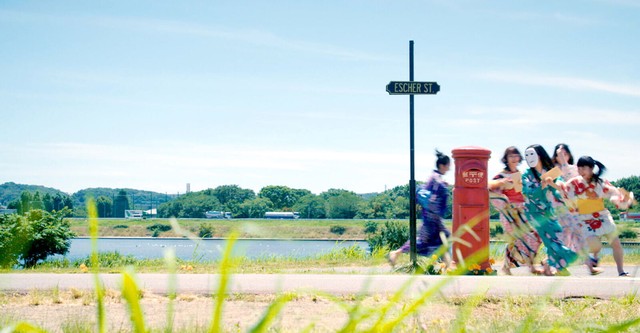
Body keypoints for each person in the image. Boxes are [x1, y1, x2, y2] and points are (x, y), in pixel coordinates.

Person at [561, 156, 635, 277]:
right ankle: (591, 261)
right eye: (580, 168)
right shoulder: (573, 183)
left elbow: (613, 194)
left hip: (602, 216)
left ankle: (621, 271)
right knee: (595, 246)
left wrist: (622, 201)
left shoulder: (600, 182)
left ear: (591, 169)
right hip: (584, 219)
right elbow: (565, 195)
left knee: (615, 243)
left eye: (585, 168)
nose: (581, 171)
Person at [388, 150, 452, 267]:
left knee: (443, 238)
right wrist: (443, 187)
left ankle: (446, 265)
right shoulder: (437, 179)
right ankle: (396, 253)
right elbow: (435, 196)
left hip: (431, 218)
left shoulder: (434, 177)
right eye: (448, 165)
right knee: (423, 242)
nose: (449, 168)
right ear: (442, 165)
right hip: (432, 218)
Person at [521, 144, 578, 275]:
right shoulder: (526, 175)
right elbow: (528, 192)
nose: (529, 158)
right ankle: (565, 262)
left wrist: (551, 183)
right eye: (527, 155)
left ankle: (557, 267)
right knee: (549, 239)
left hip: (548, 210)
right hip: (534, 213)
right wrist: (542, 186)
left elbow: (556, 190)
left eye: (532, 154)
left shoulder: (550, 172)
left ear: (540, 156)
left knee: (556, 236)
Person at [488, 146, 543, 275]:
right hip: (509, 212)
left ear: (519, 158)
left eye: (516, 156)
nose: (513, 159)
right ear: (506, 159)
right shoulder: (502, 175)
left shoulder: (521, 175)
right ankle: (509, 266)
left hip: (522, 211)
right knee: (515, 239)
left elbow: (525, 194)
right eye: (510, 156)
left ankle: (528, 265)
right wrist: (502, 182)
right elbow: (489, 186)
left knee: (535, 235)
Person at [550, 144, 587, 260]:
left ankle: (551, 260)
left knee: (569, 235)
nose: (562, 157)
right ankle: (588, 262)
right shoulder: (553, 171)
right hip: (558, 208)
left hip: (573, 207)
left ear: (569, 155)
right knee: (567, 234)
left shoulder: (574, 168)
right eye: (559, 155)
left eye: (564, 154)